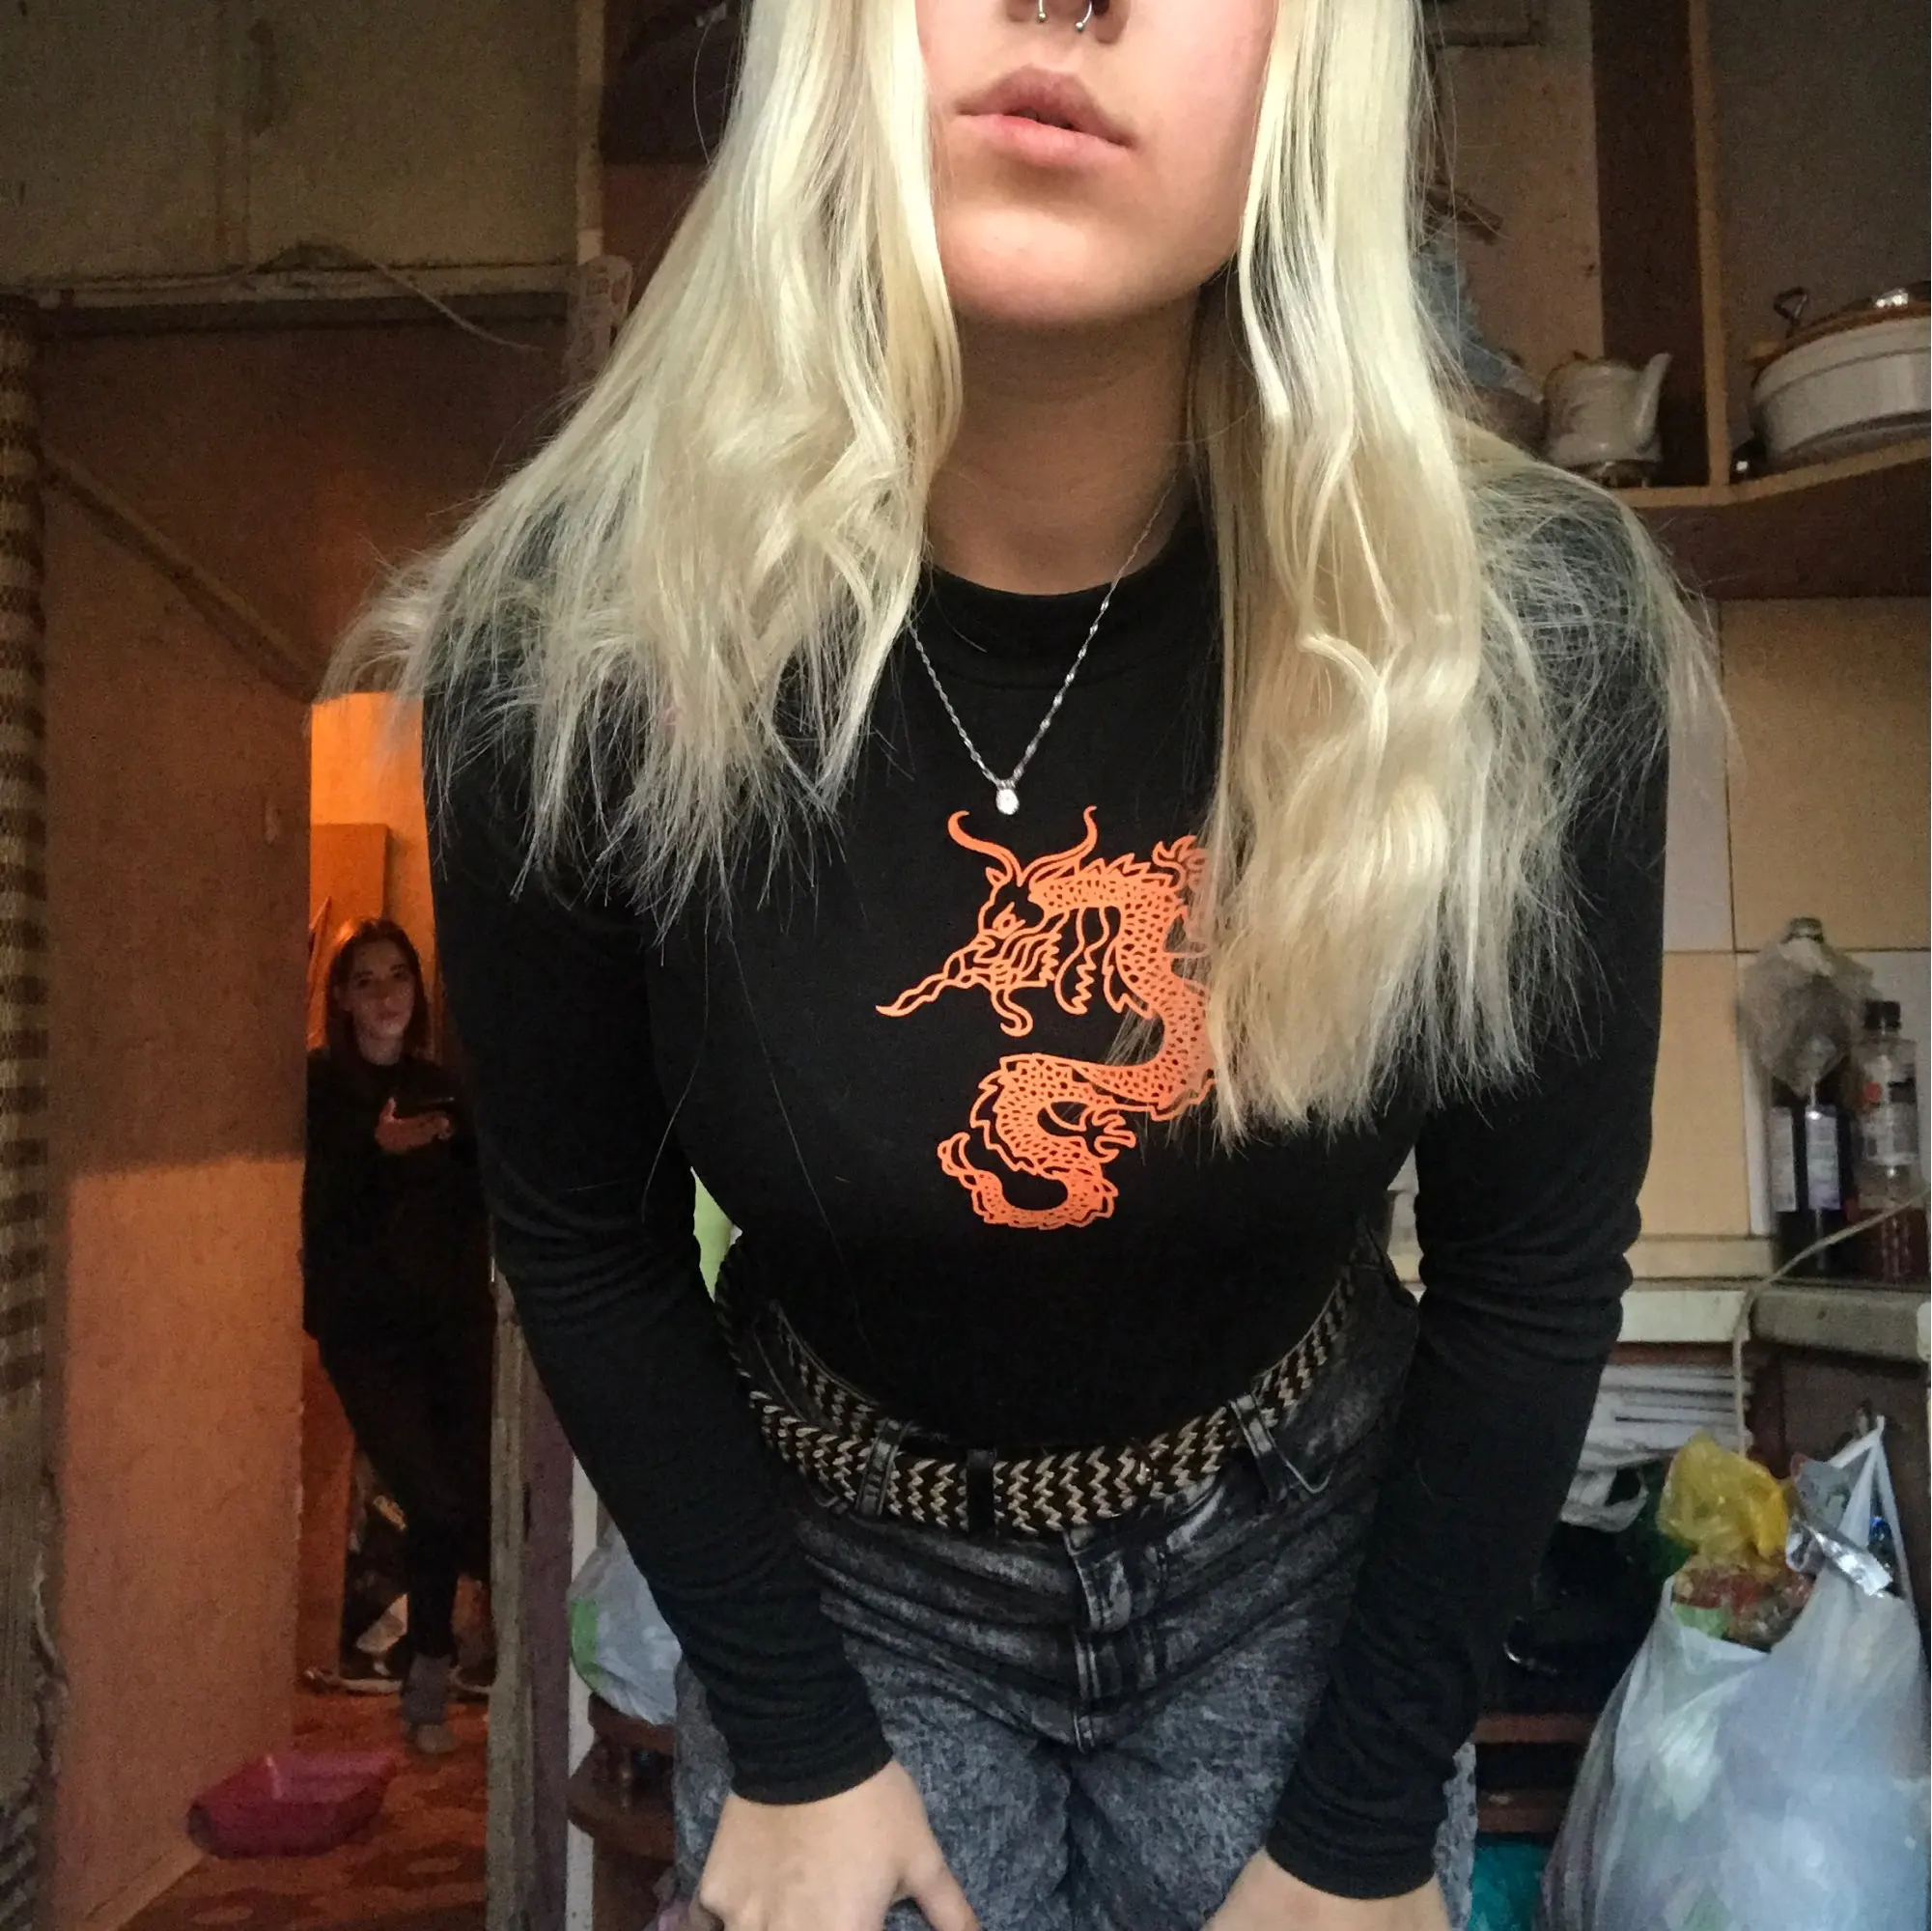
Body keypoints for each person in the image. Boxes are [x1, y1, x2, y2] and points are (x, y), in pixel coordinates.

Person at [346, 0, 1708, 1922]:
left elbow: (1531, 1267)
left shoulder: (1532, 635)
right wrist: (795, 1735)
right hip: (835, 1571)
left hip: (1305, 1557)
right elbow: (579, 1235)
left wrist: (1355, 1828)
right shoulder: (556, 644)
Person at [301, 918, 495, 1754]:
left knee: (467, 1505)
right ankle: (430, 1673)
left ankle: (433, 1682)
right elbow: (315, 1210)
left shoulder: (440, 1088)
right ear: (343, 998)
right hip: (366, 1336)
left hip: (451, 1330)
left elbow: (479, 1202)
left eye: (398, 977)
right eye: (366, 980)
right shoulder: (317, 1087)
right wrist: (375, 1149)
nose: (386, 995)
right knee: (432, 1498)